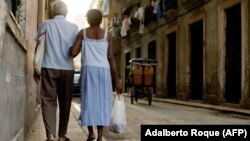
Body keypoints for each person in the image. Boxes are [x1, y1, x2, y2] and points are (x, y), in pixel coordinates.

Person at [69, 9, 123, 141]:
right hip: (104, 72)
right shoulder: (107, 35)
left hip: (88, 72)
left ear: (88, 19)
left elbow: (73, 53)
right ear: (100, 20)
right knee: (102, 103)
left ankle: (91, 133)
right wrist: (117, 81)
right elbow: (111, 58)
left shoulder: (83, 33)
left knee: (88, 101)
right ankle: (99, 136)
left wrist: (73, 46)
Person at [33, 1, 78, 141]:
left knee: (48, 101)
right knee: (65, 102)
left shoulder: (45, 24)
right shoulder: (74, 27)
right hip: (67, 69)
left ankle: (50, 136)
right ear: (66, 12)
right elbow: (75, 49)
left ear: (52, 12)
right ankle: (62, 136)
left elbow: (39, 46)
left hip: (49, 67)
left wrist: (36, 69)